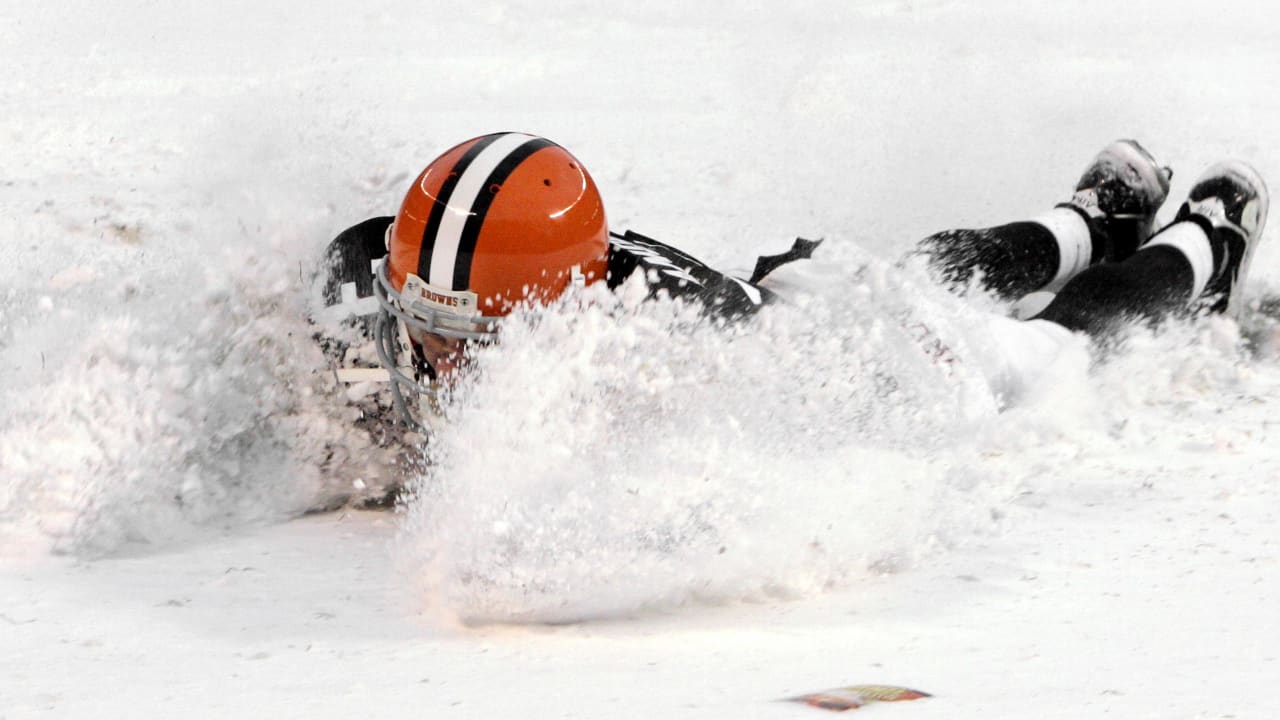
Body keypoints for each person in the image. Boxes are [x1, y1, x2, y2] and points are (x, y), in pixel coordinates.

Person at [315, 132, 1269, 432]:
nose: (432, 362)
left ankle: (1204, 247)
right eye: (423, 325)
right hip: (786, 296)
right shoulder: (376, 263)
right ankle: (1091, 220)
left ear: (564, 317)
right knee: (926, 267)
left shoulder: (678, 359)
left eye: (471, 340)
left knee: (1044, 354)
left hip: (855, 364)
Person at [314, 131, 820, 433]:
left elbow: (809, 362)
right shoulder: (359, 270)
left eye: (477, 346)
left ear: (569, 318)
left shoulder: (672, 326)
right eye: (432, 335)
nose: (445, 373)